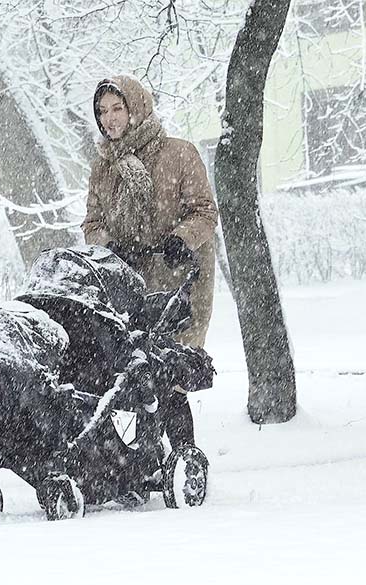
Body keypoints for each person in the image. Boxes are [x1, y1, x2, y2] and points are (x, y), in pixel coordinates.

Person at [82, 74, 218, 449]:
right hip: (131, 284)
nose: (109, 118)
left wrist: (181, 239)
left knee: (170, 371)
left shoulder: (178, 153)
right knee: (138, 373)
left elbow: (205, 212)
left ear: (136, 108)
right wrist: (111, 247)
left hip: (180, 278)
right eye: (102, 111)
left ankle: (185, 456)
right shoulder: (103, 168)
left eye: (117, 108)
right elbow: (92, 224)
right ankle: (147, 458)